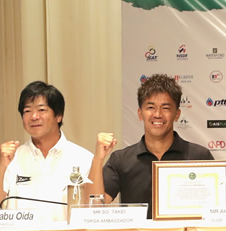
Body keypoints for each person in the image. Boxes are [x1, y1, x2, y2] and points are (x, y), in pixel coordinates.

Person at [0, 81, 105, 220]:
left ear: (59, 116)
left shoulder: (82, 158)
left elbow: (95, 211)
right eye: (27, 111)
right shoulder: (10, 158)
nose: (34, 117)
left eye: (41, 110)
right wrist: (1, 166)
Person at [87, 74, 213, 212]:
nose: (157, 114)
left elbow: (216, 207)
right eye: (151, 107)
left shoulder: (199, 156)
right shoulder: (121, 159)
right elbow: (93, 206)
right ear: (140, 113)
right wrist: (98, 159)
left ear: (177, 114)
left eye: (165, 108)